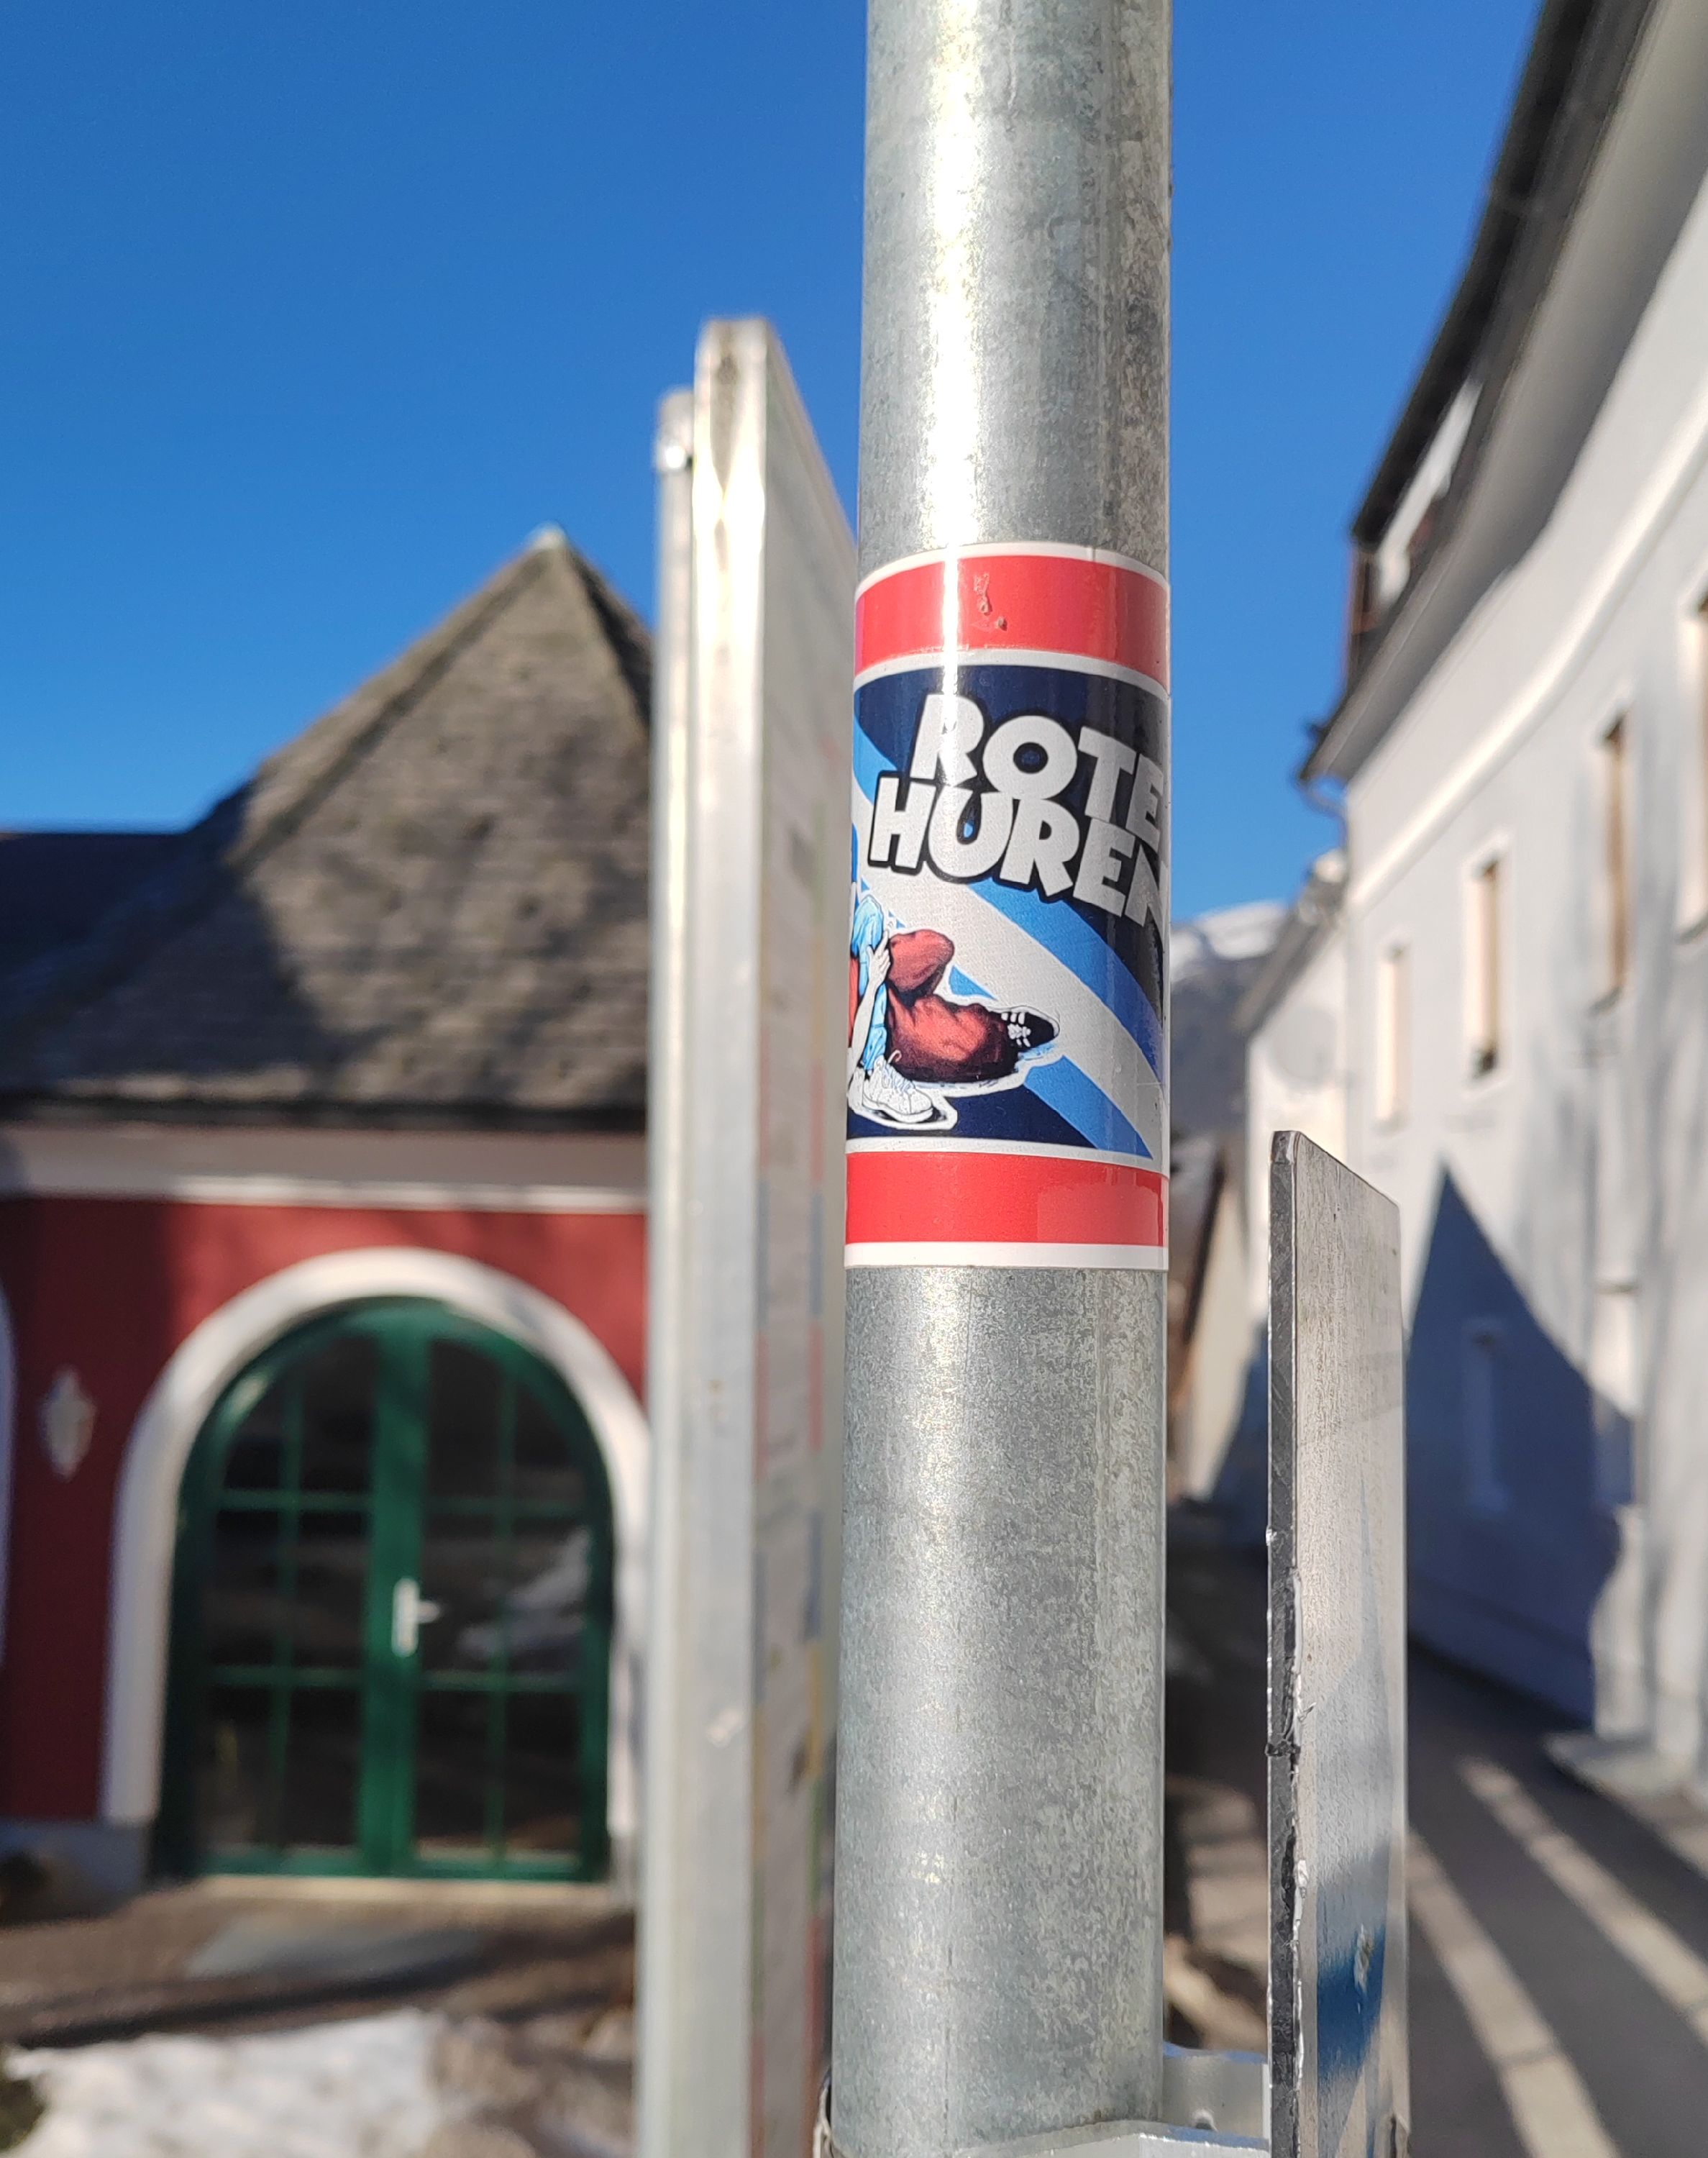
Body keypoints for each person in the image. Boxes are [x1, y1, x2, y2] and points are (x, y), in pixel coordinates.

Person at [849, 893, 1056, 1127]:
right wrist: (873, 985)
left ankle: (934, 1010)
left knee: (937, 947)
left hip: (871, 975)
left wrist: (874, 971)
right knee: (965, 1047)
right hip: (881, 1030)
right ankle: (997, 1030)